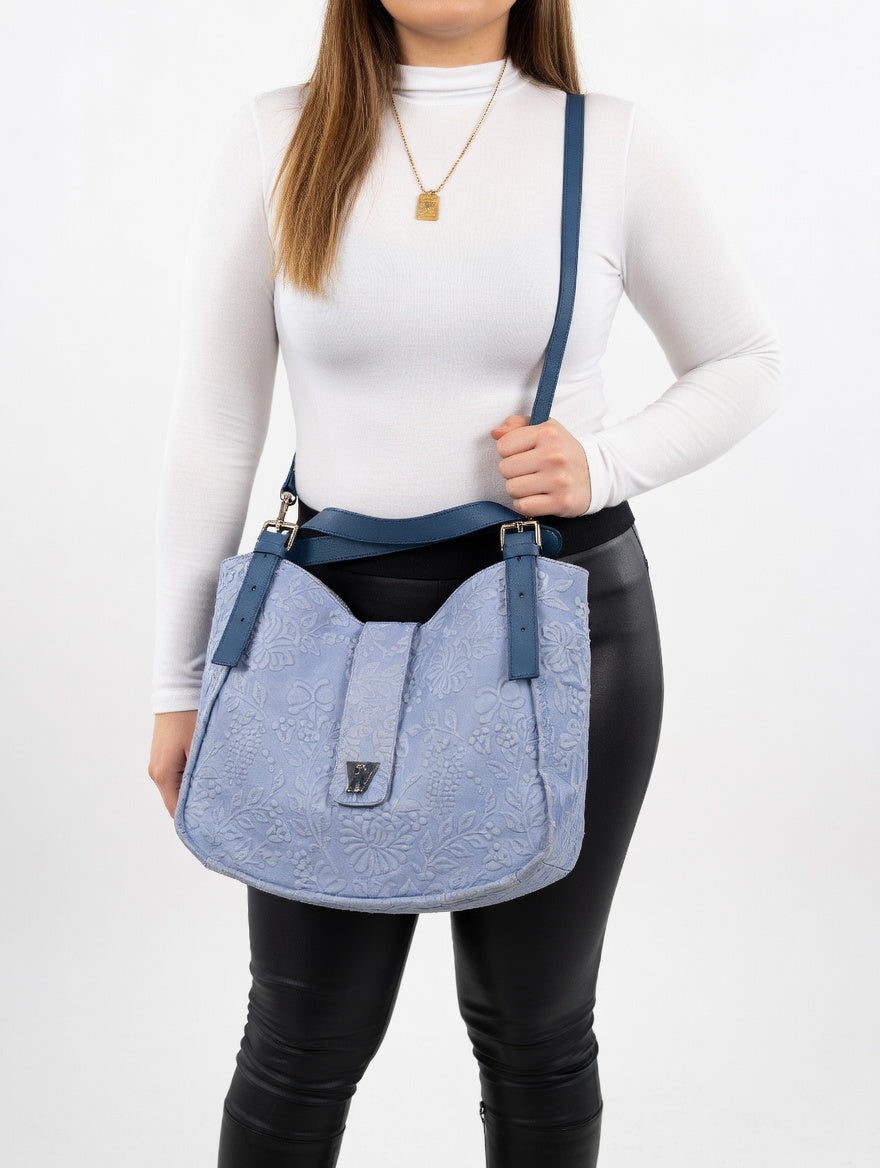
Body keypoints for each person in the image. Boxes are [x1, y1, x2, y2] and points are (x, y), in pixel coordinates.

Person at [148, 1, 784, 1164]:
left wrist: (602, 463)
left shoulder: (606, 141)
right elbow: (216, 430)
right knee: (299, 1039)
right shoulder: (277, 136)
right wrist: (177, 684)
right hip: (318, 634)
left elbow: (742, 360)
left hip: (557, 625)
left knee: (536, 1031)